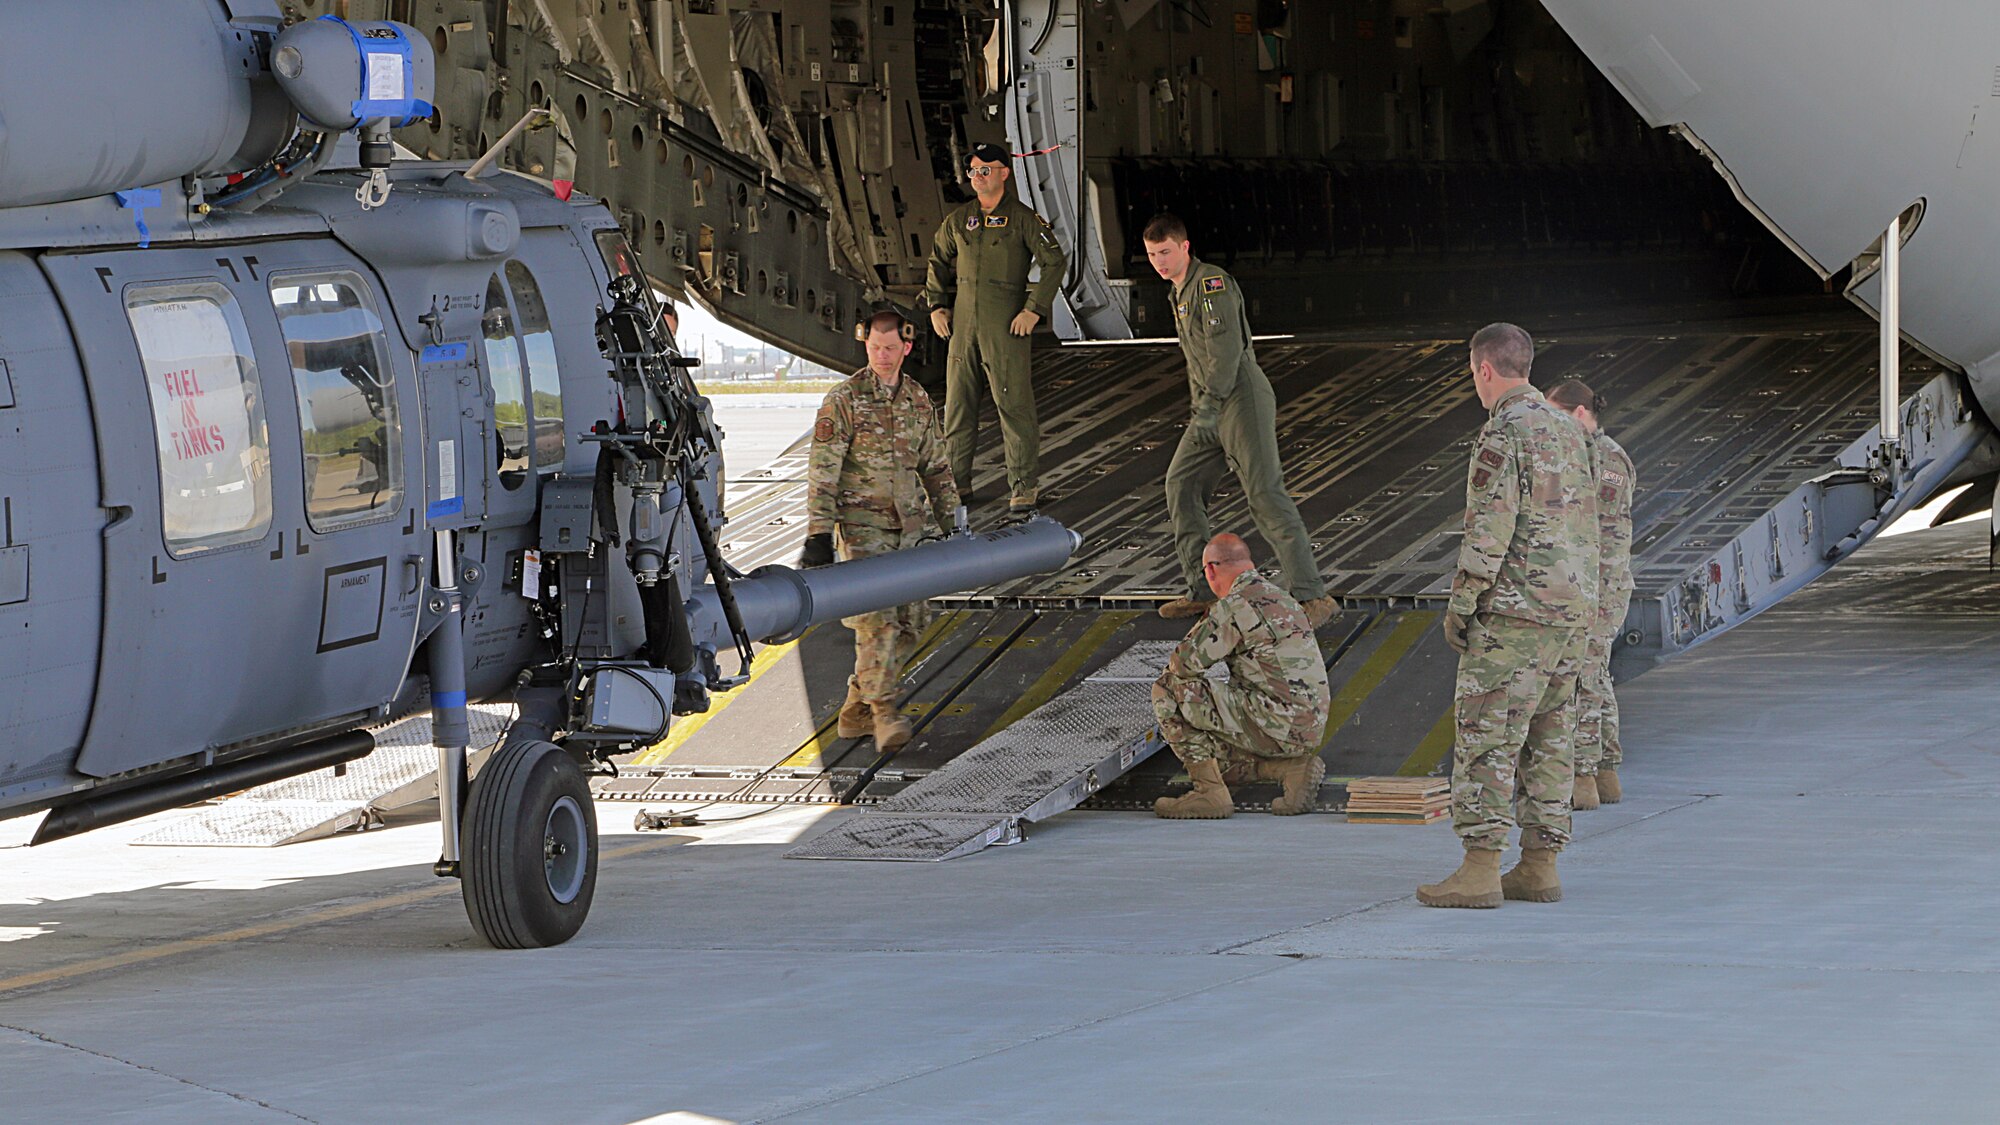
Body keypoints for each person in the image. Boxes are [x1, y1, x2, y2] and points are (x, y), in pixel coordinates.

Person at [1417, 323, 1598, 908]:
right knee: (1551, 737)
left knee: (1487, 739)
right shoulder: (1572, 433)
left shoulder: (1504, 433)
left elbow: (1488, 529)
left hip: (1515, 615)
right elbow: (1589, 526)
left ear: (1484, 370)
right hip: (1570, 612)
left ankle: (1479, 868)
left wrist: (1462, 605)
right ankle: (1540, 866)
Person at [1140, 213, 1338, 629]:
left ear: (1185, 247)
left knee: (1265, 495)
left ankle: (1312, 596)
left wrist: (1209, 408)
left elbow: (1225, 353)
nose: (1159, 261)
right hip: (1209, 407)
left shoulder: (1212, 284)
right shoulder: (1178, 293)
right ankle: (1201, 590)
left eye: (1165, 252)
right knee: (1182, 484)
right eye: (1153, 254)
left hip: (1239, 401)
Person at [798, 306, 960, 754]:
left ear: (906, 347)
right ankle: (884, 713)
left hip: (909, 529)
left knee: (912, 622)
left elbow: (936, 467)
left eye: (890, 348)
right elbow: (823, 470)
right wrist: (817, 535)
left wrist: (955, 523)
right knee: (879, 625)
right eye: (874, 348)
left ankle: (855, 707)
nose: (882, 356)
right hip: (863, 529)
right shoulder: (843, 400)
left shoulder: (917, 400)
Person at [922, 142, 1068, 518]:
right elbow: (938, 258)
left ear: (1005, 173)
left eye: (985, 169)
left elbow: (1054, 261)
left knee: (1014, 406)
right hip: (963, 325)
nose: (978, 177)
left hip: (1005, 327)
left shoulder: (1023, 219)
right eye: (972, 170)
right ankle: (957, 485)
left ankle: (1023, 487)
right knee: (957, 408)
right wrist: (937, 305)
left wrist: (1033, 309)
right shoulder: (960, 219)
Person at [1150, 533, 1332, 819]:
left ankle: (1209, 793)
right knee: (1216, 725)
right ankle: (1290, 770)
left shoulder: (1235, 605)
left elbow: (1182, 665)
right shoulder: (1284, 599)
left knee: (1169, 689)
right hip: (1308, 725)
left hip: (1274, 723)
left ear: (1210, 569)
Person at [1547, 378, 1636, 808]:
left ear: (1580, 413)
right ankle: (1605, 771)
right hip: (1598, 585)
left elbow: (1586, 526)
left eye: (1558, 415)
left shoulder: (1602, 458)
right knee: (1597, 675)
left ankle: (1582, 778)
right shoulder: (1592, 454)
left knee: (1581, 678)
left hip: (1596, 586)